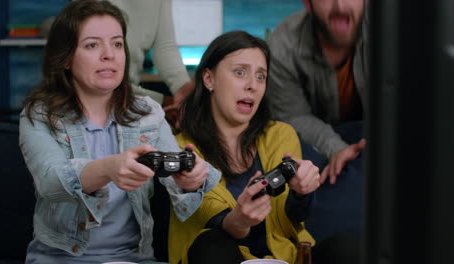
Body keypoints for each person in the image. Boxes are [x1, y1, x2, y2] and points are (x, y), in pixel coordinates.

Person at [19, 1, 220, 263]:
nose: (109, 55)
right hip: (60, 258)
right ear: (66, 57)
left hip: (133, 258)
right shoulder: (38, 114)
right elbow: (51, 182)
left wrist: (192, 180)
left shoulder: (148, 112)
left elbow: (178, 180)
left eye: (116, 44)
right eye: (92, 45)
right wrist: (108, 169)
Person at [168, 30, 358, 264]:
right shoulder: (182, 148)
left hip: (282, 257)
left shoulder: (280, 134)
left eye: (261, 76)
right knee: (212, 247)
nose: (252, 85)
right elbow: (209, 216)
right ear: (209, 79)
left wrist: (301, 192)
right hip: (221, 256)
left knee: (348, 248)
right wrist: (239, 220)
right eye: (240, 72)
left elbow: (295, 217)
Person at [266, 0, 368, 241]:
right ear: (308, 4)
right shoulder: (283, 44)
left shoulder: (391, 32)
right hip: (312, 141)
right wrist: (337, 149)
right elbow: (293, 116)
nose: (340, 5)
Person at [107, 0, 195, 128]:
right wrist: (160, 102)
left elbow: (165, 47)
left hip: (130, 104)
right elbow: (98, 81)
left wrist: (183, 88)